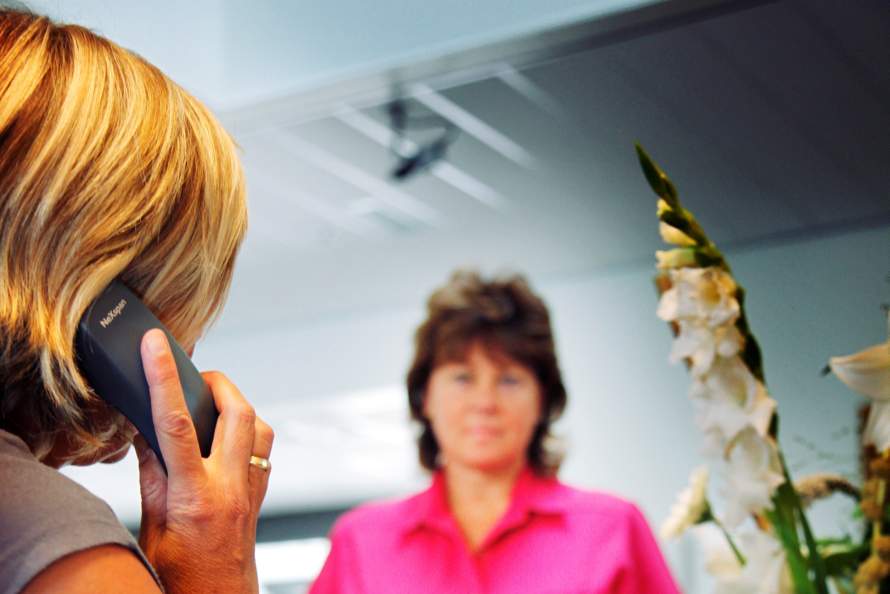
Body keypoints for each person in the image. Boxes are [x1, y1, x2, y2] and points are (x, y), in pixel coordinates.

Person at [0, 8, 274, 593]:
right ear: (107, 305)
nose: (190, 347)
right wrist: (216, 576)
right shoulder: (61, 544)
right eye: (185, 303)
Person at [310, 270, 680, 594]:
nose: (484, 402)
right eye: (462, 378)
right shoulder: (360, 540)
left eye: (508, 379)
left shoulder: (613, 529)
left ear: (543, 400)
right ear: (425, 397)